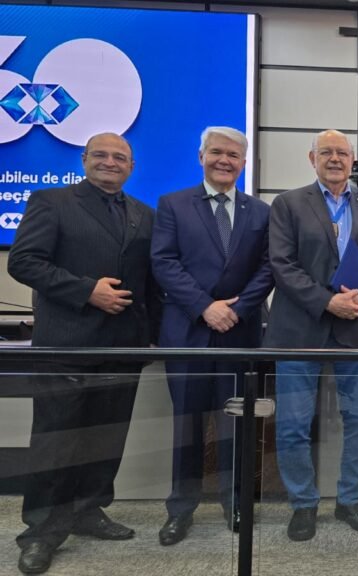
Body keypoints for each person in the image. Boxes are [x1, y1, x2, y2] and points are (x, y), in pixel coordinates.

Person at [8, 132, 161, 575]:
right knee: (56, 441)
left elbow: (151, 284)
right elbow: (24, 261)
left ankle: (89, 510)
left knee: (107, 436)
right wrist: (86, 291)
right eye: (101, 155)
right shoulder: (51, 202)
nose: (110, 163)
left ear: (131, 166)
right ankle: (41, 532)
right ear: (84, 160)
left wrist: (152, 336)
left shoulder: (144, 215)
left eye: (120, 157)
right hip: (67, 344)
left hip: (124, 348)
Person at [264, 129, 358, 541]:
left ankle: (351, 501)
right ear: (312, 158)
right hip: (299, 329)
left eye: (342, 153)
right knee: (293, 425)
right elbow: (281, 265)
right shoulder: (287, 204)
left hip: (355, 328)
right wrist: (326, 302)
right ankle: (303, 504)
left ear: (352, 159)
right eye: (327, 152)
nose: (335, 159)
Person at [150, 126, 273, 545]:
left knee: (235, 425)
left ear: (243, 162)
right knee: (187, 426)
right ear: (201, 156)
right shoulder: (173, 204)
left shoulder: (260, 211)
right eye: (216, 152)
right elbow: (163, 262)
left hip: (239, 335)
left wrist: (235, 310)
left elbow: (269, 268)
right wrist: (205, 306)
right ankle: (180, 510)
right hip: (187, 333)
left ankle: (235, 504)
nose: (225, 160)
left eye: (233, 155)